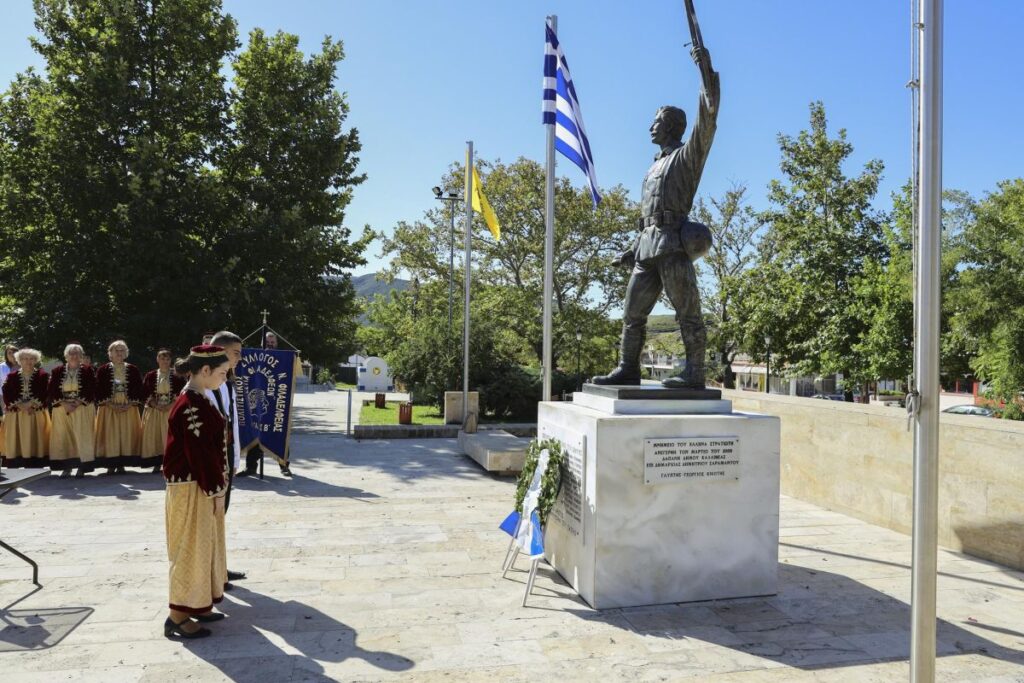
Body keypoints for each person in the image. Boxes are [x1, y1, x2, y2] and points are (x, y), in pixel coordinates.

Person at [592, 44, 720, 389]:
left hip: (674, 245)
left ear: (673, 127)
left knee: (687, 313)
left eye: (658, 121)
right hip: (647, 249)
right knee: (633, 314)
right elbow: (648, 216)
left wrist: (705, 69)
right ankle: (628, 368)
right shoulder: (653, 166)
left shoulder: (685, 158)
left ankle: (694, 372)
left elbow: (708, 118)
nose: (651, 125)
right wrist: (633, 248)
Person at [162, 344, 231, 639]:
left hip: (199, 485)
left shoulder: (199, 398)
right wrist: (216, 492)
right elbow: (200, 454)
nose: (224, 379)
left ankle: (197, 603)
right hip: (193, 487)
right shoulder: (191, 404)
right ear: (205, 371)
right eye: (222, 373)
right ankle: (177, 616)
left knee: (204, 548)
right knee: (190, 549)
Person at [207, 330, 247, 586]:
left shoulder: (228, 384)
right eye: (235, 353)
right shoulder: (205, 383)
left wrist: (235, 459)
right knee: (210, 518)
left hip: (225, 458)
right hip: (211, 461)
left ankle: (218, 567)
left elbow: (232, 424)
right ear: (220, 351)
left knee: (221, 515)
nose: (239, 359)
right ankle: (209, 571)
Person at [47, 343, 97, 477]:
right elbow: (52, 389)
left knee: (82, 437)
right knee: (64, 437)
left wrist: (78, 402)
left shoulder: (88, 370)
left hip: (82, 408)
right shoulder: (57, 371)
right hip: (62, 408)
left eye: (77, 353)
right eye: (71, 353)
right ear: (66, 356)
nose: (74, 356)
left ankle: (82, 466)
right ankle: (66, 467)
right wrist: (64, 403)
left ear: (81, 356)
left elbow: (91, 388)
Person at [94, 340, 144, 473]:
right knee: (110, 435)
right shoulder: (102, 369)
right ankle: (110, 464)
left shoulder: (133, 369)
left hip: (128, 407)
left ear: (126, 353)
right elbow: (98, 389)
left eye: (122, 350)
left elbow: (139, 388)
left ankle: (122, 464)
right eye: (116, 350)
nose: (119, 353)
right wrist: (110, 404)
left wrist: (129, 404)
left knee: (125, 435)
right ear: (110, 353)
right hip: (108, 407)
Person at [2, 348, 51, 468]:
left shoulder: (43, 375)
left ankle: (34, 465)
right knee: (15, 440)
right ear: (19, 360)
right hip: (16, 413)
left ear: (36, 360)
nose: (28, 361)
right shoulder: (11, 376)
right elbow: (7, 391)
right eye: (24, 359)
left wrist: (31, 405)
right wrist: (20, 405)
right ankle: (16, 465)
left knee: (35, 439)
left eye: (31, 359)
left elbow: (44, 391)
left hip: (35, 412)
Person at [141, 349, 186, 471]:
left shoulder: (177, 375)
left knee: (170, 437)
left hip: (171, 411)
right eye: (162, 358)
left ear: (170, 360)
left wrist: (171, 405)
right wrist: (155, 404)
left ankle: (171, 462)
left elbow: (183, 392)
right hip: (155, 411)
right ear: (157, 359)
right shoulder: (150, 375)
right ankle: (157, 463)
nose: (165, 361)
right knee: (155, 437)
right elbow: (144, 392)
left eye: (167, 359)